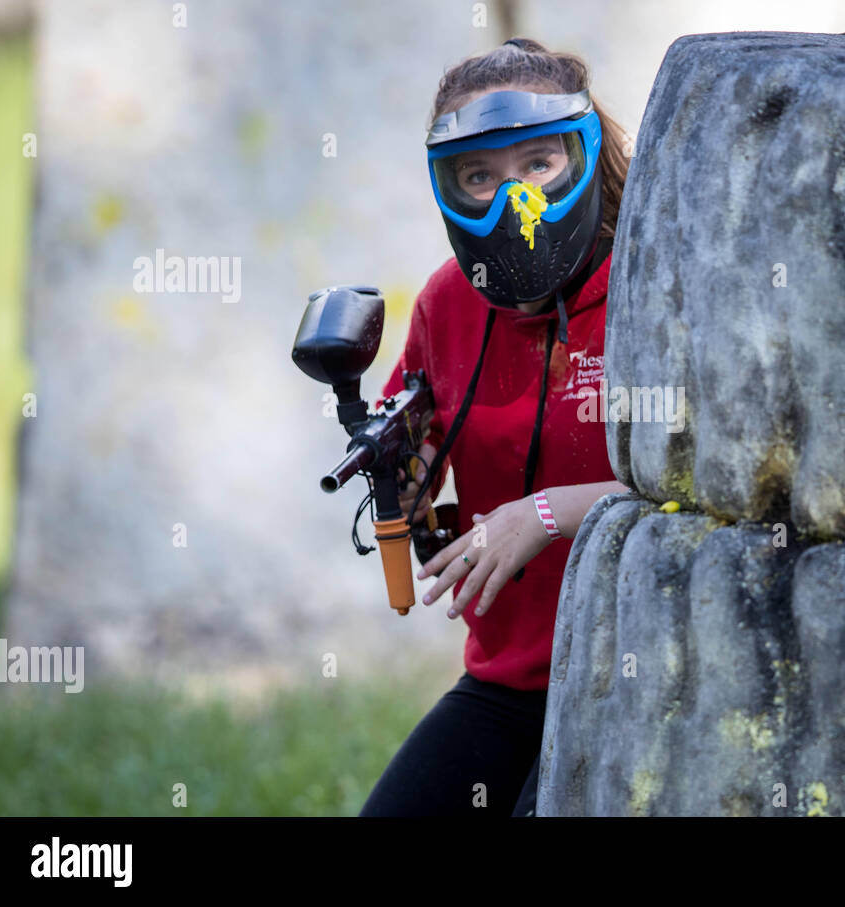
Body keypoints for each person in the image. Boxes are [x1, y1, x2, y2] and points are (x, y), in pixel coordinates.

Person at [359, 37, 633, 817]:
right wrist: (403, 488)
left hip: (645, 677)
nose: (511, 200)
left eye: (538, 166)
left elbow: (712, 481)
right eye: (479, 176)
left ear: (582, 158)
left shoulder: (653, 283)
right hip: (510, 680)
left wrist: (546, 514)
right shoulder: (447, 302)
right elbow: (415, 439)